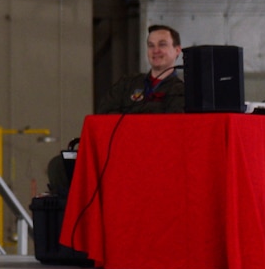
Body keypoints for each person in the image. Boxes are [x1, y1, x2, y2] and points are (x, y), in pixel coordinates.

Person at [47, 24, 185, 196]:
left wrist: (127, 121)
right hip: (115, 152)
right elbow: (103, 113)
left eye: (162, 44)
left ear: (177, 50)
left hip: (152, 158)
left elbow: (168, 127)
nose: (155, 50)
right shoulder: (128, 83)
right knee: (59, 165)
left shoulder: (182, 91)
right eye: (151, 45)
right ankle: (72, 219)